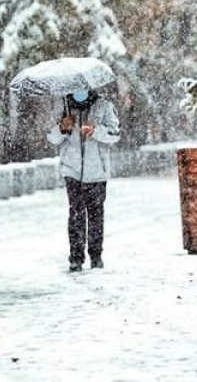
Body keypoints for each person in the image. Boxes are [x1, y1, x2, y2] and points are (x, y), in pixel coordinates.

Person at [46, 89, 120, 272]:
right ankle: (76, 257)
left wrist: (95, 131)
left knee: (96, 215)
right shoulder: (63, 106)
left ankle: (96, 256)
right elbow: (51, 136)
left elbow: (114, 134)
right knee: (76, 214)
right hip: (72, 170)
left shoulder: (104, 106)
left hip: (97, 171)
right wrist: (63, 127)